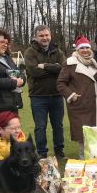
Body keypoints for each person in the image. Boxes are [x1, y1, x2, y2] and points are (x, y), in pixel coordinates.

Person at [24, 25, 66, 158]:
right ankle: (42, 154)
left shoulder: (58, 52)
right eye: (41, 35)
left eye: (47, 35)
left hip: (57, 95)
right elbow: (33, 71)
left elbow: (64, 69)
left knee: (58, 126)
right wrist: (54, 69)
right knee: (40, 127)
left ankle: (59, 152)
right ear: (35, 37)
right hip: (38, 96)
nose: (45, 38)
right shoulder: (30, 52)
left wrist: (45, 66)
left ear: (50, 35)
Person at [57, 36, 97, 159]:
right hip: (80, 105)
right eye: (82, 48)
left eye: (87, 47)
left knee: (93, 133)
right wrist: (71, 95)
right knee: (83, 135)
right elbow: (60, 83)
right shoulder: (70, 63)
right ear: (77, 50)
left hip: (94, 105)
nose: (85, 50)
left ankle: (95, 159)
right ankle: (83, 159)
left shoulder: (93, 63)